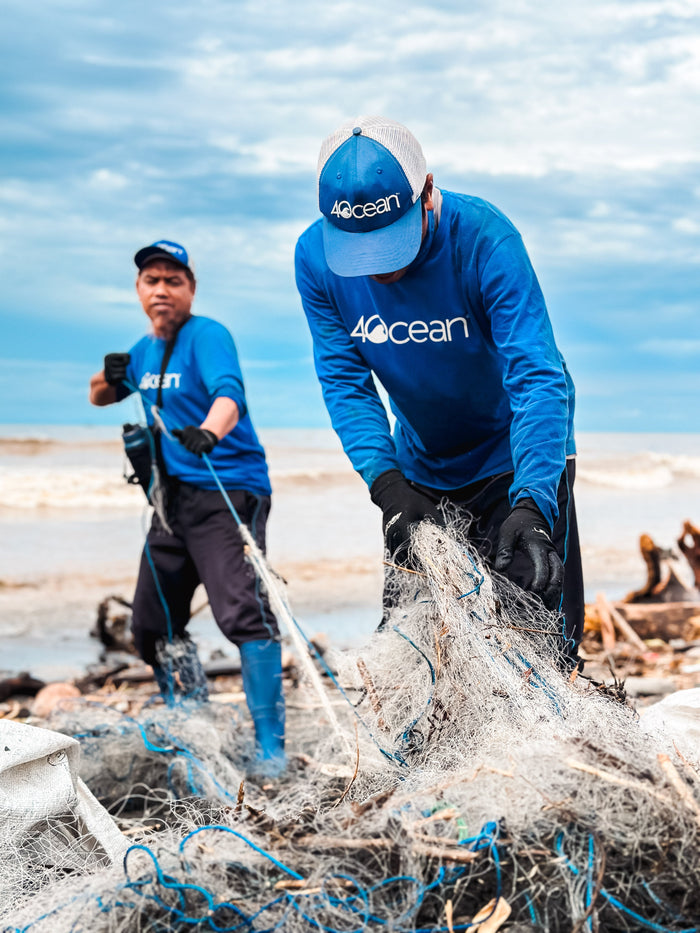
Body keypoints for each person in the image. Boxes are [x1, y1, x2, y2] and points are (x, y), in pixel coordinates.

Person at [294, 116, 584, 668]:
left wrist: (534, 502)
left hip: (518, 455)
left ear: (427, 193)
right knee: (417, 642)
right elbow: (345, 381)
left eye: (390, 243)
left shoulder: (484, 239)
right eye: (361, 250)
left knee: (539, 639)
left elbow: (536, 376)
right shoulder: (315, 260)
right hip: (421, 466)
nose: (378, 270)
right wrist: (386, 484)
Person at [89, 240, 285, 772]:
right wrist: (110, 375)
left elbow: (230, 394)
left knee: (244, 616)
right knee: (151, 625)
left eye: (173, 281)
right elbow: (97, 394)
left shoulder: (208, 336)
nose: (161, 290)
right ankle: (191, 719)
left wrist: (208, 431)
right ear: (138, 290)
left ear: (190, 290)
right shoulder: (143, 349)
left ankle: (272, 751)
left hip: (229, 493)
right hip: (170, 503)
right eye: (151, 281)